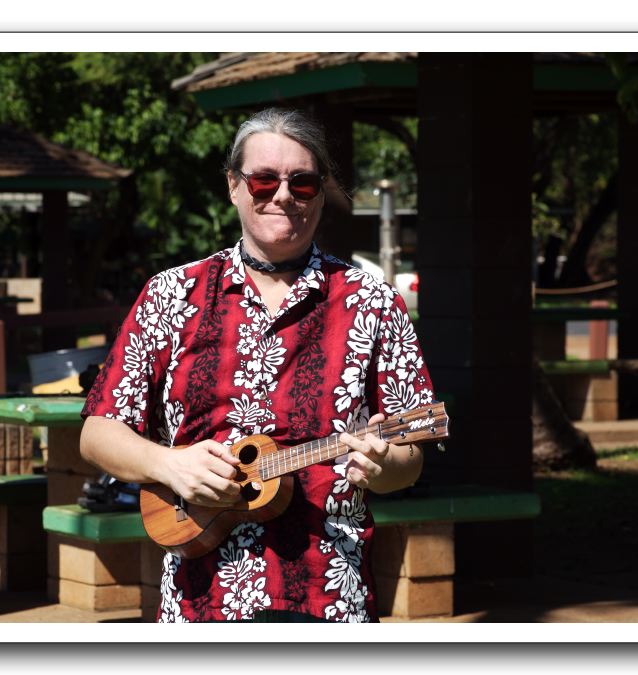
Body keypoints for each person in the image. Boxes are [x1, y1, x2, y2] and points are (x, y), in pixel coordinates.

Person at [79, 107, 434, 623]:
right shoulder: (171, 294)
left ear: (321, 190)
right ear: (234, 186)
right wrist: (167, 464)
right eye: (264, 179)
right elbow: (97, 431)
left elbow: (411, 454)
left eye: (303, 182)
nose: (283, 194)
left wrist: (383, 468)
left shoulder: (371, 301)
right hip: (200, 601)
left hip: (329, 593)